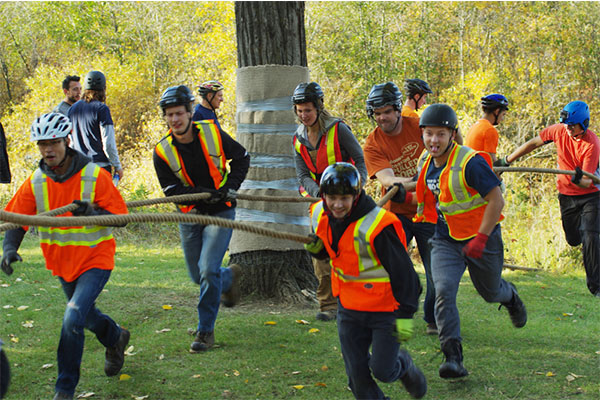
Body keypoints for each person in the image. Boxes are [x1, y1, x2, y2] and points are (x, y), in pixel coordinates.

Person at [0, 112, 130, 400]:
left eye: (54, 142)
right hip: (63, 265)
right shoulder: (35, 181)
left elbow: (121, 218)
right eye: (42, 144)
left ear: (67, 140)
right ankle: (115, 337)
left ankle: (64, 389)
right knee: (85, 317)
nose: (48, 150)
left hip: (96, 260)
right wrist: (10, 249)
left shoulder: (95, 174)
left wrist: (92, 212)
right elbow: (16, 219)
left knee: (73, 318)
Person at [414, 104, 527, 379]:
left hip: (482, 238)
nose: (434, 141)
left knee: (490, 292)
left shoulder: (471, 162)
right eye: (429, 134)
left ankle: (510, 297)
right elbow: (432, 194)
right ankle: (453, 358)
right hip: (446, 240)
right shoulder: (426, 164)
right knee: (443, 291)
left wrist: (481, 237)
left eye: (440, 134)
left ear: (452, 134)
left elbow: (495, 199)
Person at [304, 162, 426, 399]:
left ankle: (405, 366)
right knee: (358, 378)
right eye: (332, 198)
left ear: (356, 195)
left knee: (383, 370)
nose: (337, 204)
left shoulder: (378, 226)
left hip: (385, 311)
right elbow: (331, 252)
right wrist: (316, 249)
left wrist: (405, 319)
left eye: (344, 198)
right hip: (349, 309)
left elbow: (407, 277)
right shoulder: (320, 212)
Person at [153, 85, 250, 352]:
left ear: (190, 112)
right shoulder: (161, 151)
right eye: (169, 115)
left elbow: (242, 157)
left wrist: (231, 186)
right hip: (190, 216)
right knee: (198, 275)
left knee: (207, 270)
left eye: (179, 113)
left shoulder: (211, 132)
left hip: (221, 212)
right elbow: (172, 191)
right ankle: (228, 278)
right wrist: (203, 194)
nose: (174, 119)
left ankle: (205, 331)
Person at [497, 100, 600, 297]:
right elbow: (533, 143)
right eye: (566, 125)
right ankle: (583, 237)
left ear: (584, 124)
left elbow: (587, 182)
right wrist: (507, 161)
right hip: (566, 196)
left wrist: (578, 178)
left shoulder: (592, 143)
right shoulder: (559, 130)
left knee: (590, 237)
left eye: (572, 126)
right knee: (573, 239)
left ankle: (596, 288)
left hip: (590, 196)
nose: (568, 129)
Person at [363, 82, 437, 335]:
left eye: (387, 111)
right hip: (396, 214)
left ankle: (433, 320)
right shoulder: (372, 144)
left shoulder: (418, 125)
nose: (382, 117)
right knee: (396, 272)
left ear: (397, 109)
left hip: (429, 212)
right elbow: (387, 180)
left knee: (436, 271)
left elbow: (449, 142)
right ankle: (397, 321)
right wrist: (424, 180)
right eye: (377, 113)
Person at [292, 81, 368, 322]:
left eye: (308, 110)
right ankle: (328, 305)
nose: (304, 115)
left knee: (354, 249)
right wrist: (319, 193)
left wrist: (356, 188)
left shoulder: (338, 129)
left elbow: (360, 160)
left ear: (319, 107)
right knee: (321, 254)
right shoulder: (297, 139)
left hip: (349, 202)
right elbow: (302, 175)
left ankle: (359, 300)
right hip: (319, 205)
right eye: (300, 110)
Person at [68, 70, 124, 181]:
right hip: (100, 169)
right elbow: (108, 143)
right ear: (103, 89)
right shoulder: (102, 109)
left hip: (79, 169)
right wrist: (117, 166)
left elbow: (71, 143)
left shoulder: (72, 110)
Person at [465, 94, 509, 163]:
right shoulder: (489, 130)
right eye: (503, 114)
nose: (502, 119)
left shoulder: (475, 126)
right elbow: (492, 163)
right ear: (497, 111)